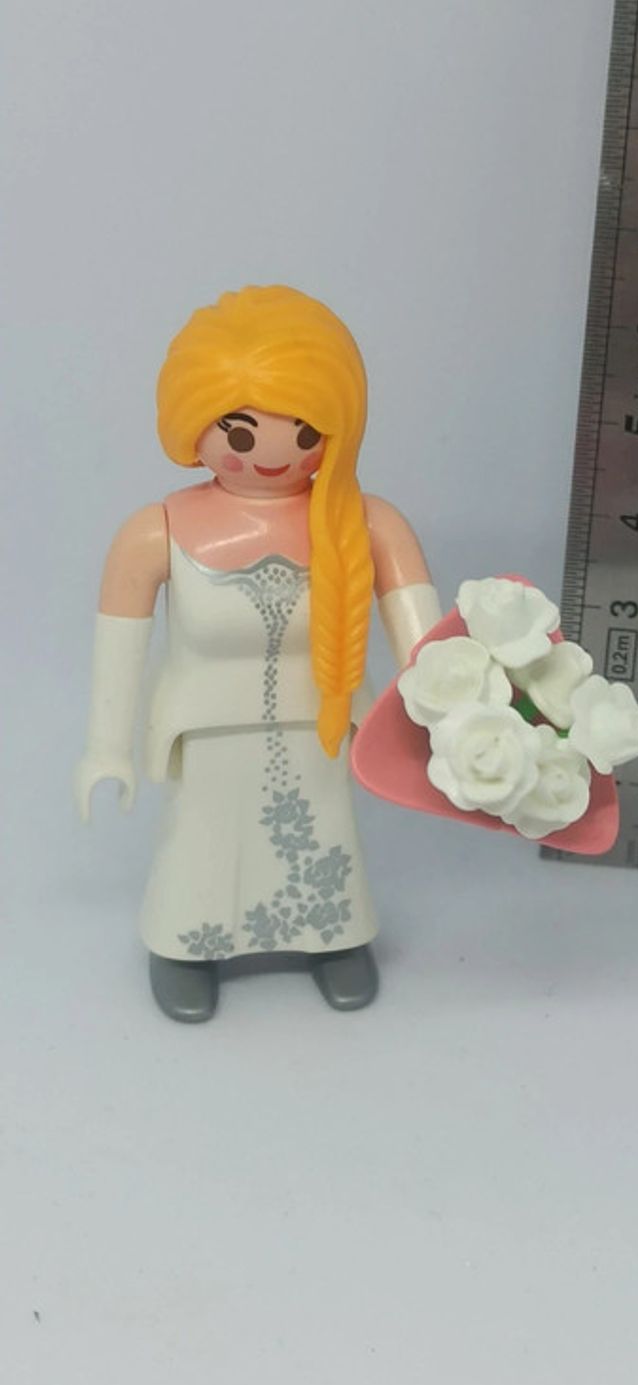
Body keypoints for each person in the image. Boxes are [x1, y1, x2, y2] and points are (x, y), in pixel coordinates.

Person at [75, 285, 440, 1022]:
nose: (274, 455)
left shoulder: (367, 523)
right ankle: (187, 944)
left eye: (305, 432)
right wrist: (105, 748)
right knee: (202, 837)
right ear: (192, 423)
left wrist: (452, 714)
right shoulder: (156, 531)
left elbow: (427, 644)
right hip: (205, 731)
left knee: (325, 832)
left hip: (323, 724)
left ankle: (332, 935)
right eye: (239, 435)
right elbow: (119, 644)